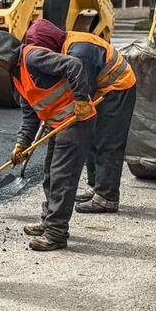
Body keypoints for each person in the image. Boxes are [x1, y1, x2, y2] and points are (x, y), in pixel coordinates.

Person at [0, 30, 94, 251]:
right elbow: (30, 113)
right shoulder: (18, 76)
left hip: (76, 121)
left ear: (5, 55)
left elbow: (74, 66)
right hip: (57, 124)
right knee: (50, 175)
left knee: (62, 178)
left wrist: (82, 100)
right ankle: (48, 220)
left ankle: (56, 234)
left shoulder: (32, 58)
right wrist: (21, 144)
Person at [25, 19, 137, 214]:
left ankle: (107, 197)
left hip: (118, 87)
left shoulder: (80, 51)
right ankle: (96, 187)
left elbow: (83, 89)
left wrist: (65, 112)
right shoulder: (66, 46)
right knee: (92, 138)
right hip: (100, 88)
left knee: (107, 141)